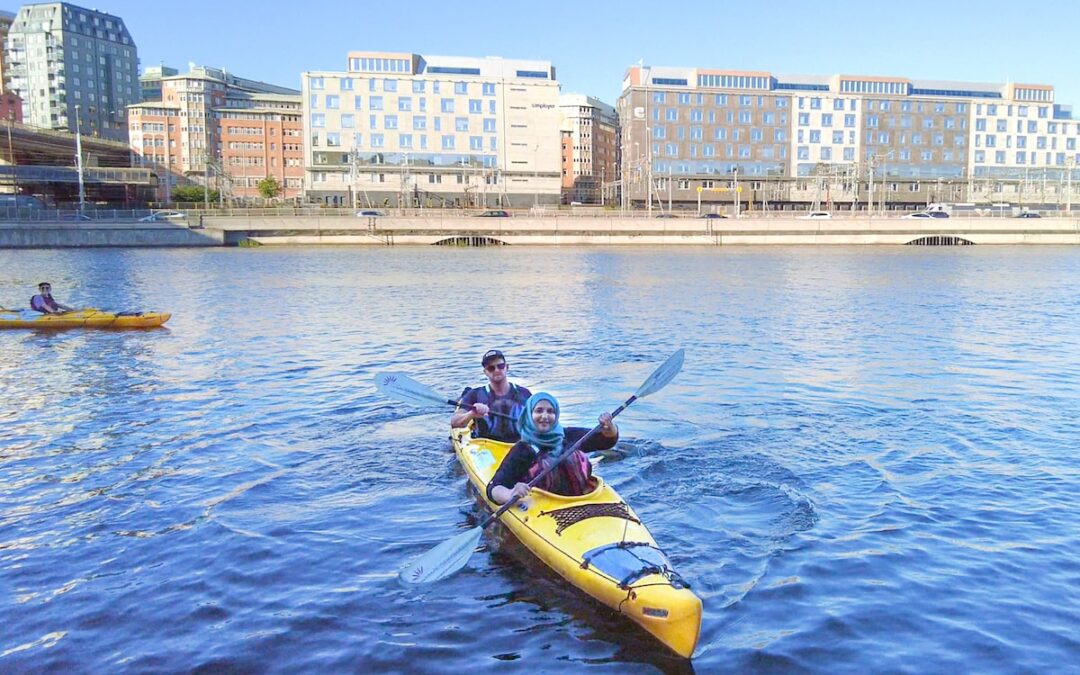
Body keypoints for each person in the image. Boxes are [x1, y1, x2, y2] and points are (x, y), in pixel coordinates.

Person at [487, 392, 618, 504]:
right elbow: (494, 488)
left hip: (583, 498)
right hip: (544, 506)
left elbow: (606, 441)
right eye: (539, 411)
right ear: (529, 414)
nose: (545, 416)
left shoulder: (568, 435)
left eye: (550, 411)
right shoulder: (523, 450)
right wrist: (510, 494)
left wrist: (609, 427)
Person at [451, 349, 532, 442]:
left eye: (500, 366)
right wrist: (471, 414)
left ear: (507, 367)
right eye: (491, 368)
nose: (496, 370)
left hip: (519, 443)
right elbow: (454, 422)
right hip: (485, 445)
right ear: (485, 372)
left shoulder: (524, 393)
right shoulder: (474, 395)